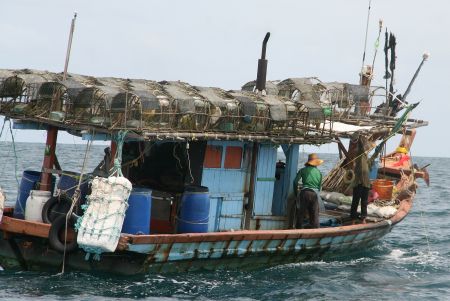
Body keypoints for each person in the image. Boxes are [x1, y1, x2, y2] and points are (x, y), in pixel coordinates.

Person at [293, 153, 323, 229]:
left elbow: (295, 182)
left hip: (305, 193)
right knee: (314, 214)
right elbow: (319, 187)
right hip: (314, 194)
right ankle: (315, 230)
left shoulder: (302, 170)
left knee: (301, 213)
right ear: (316, 163)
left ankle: (298, 229)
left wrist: (296, 193)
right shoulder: (319, 173)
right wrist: (316, 194)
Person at [350, 137, 370, 224]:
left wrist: (378, 149)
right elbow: (361, 147)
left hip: (366, 184)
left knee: (364, 202)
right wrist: (361, 137)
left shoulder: (367, 158)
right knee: (355, 201)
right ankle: (353, 219)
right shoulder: (360, 155)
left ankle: (363, 218)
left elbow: (374, 156)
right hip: (358, 183)